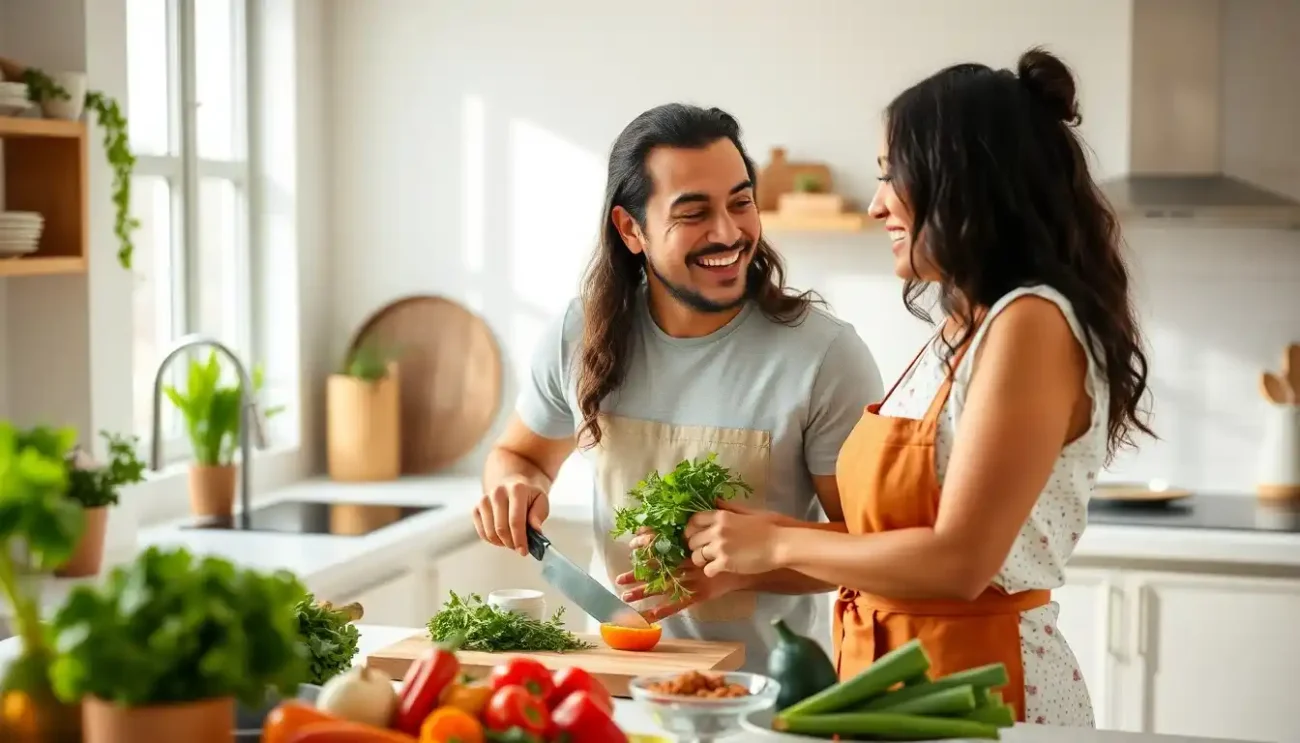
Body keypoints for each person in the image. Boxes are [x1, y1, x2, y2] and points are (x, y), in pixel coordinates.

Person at [679, 48, 1154, 726]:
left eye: (890, 175)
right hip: (893, 682)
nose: (878, 204)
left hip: (987, 691)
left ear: (963, 179)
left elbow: (959, 561)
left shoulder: (1032, 323)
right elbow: (893, 542)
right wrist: (752, 548)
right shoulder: (964, 328)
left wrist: (779, 546)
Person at [472, 102, 884, 671]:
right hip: (614, 685)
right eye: (694, 212)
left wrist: (747, 566)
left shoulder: (824, 356)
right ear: (630, 229)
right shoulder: (580, 334)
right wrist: (514, 486)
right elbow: (520, 455)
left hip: (766, 697)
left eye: (741, 203)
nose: (729, 232)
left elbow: (870, 548)